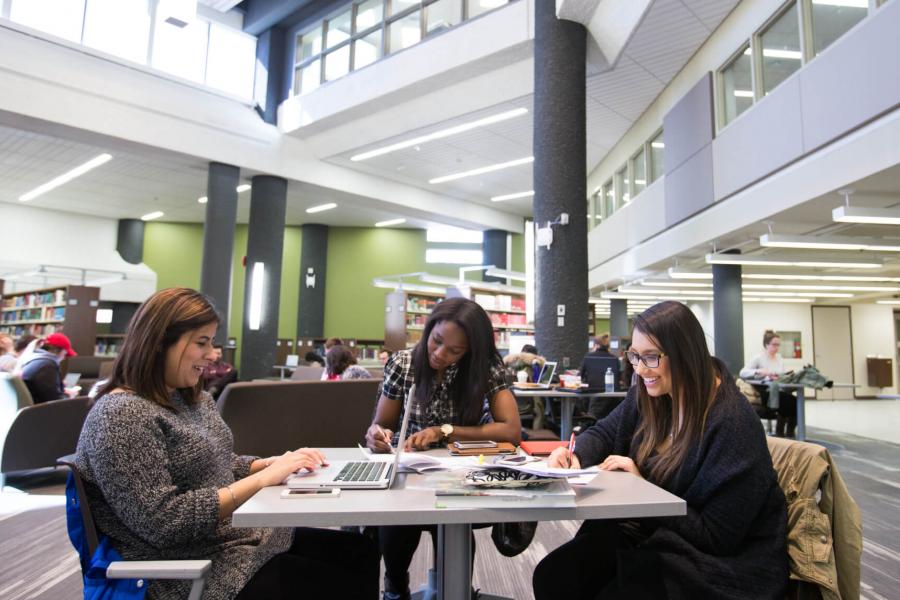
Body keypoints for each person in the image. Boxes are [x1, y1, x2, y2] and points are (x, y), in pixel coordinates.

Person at [75, 288, 379, 599]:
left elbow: (218, 462)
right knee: (343, 582)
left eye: (212, 342)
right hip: (190, 573)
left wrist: (272, 463)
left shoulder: (189, 398)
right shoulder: (121, 415)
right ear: (158, 343)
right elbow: (164, 523)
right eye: (201, 343)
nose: (213, 354)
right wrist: (263, 479)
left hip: (236, 543)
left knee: (361, 552)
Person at [535, 301, 788, 600]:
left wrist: (643, 489)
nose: (640, 369)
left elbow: (717, 537)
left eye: (651, 357)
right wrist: (574, 455)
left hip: (719, 564)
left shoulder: (733, 423)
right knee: (553, 577)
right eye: (634, 355)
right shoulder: (652, 394)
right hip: (652, 531)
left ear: (684, 355)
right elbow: (606, 432)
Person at [365, 297, 521, 600]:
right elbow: (381, 424)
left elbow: (511, 431)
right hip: (407, 473)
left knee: (453, 524)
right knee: (397, 523)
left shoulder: (485, 368)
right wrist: (376, 435)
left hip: (460, 474)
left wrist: (443, 431)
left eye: (454, 350)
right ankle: (396, 588)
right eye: (436, 341)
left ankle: (452, 589)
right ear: (429, 329)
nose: (439, 354)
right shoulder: (403, 364)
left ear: (471, 350)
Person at [740, 330, 797, 437]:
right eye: (774, 344)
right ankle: (780, 431)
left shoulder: (779, 358)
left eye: (778, 345)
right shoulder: (758, 358)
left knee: (794, 401)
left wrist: (782, 376)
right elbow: (743, 372)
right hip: (765, 390)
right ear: (766, 345)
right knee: (787, 401)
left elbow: (781, 373)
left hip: (778, 388)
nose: (777, 347)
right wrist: (759, 371)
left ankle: (789, 431)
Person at [20, 332, 79, 403]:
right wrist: (70, 396)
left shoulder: (35, 360)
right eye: (65, 354)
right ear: (58, 350)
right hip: (41, 408)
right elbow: (55, 400)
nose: (64, 358)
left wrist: (62, 390)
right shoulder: (47, 365)